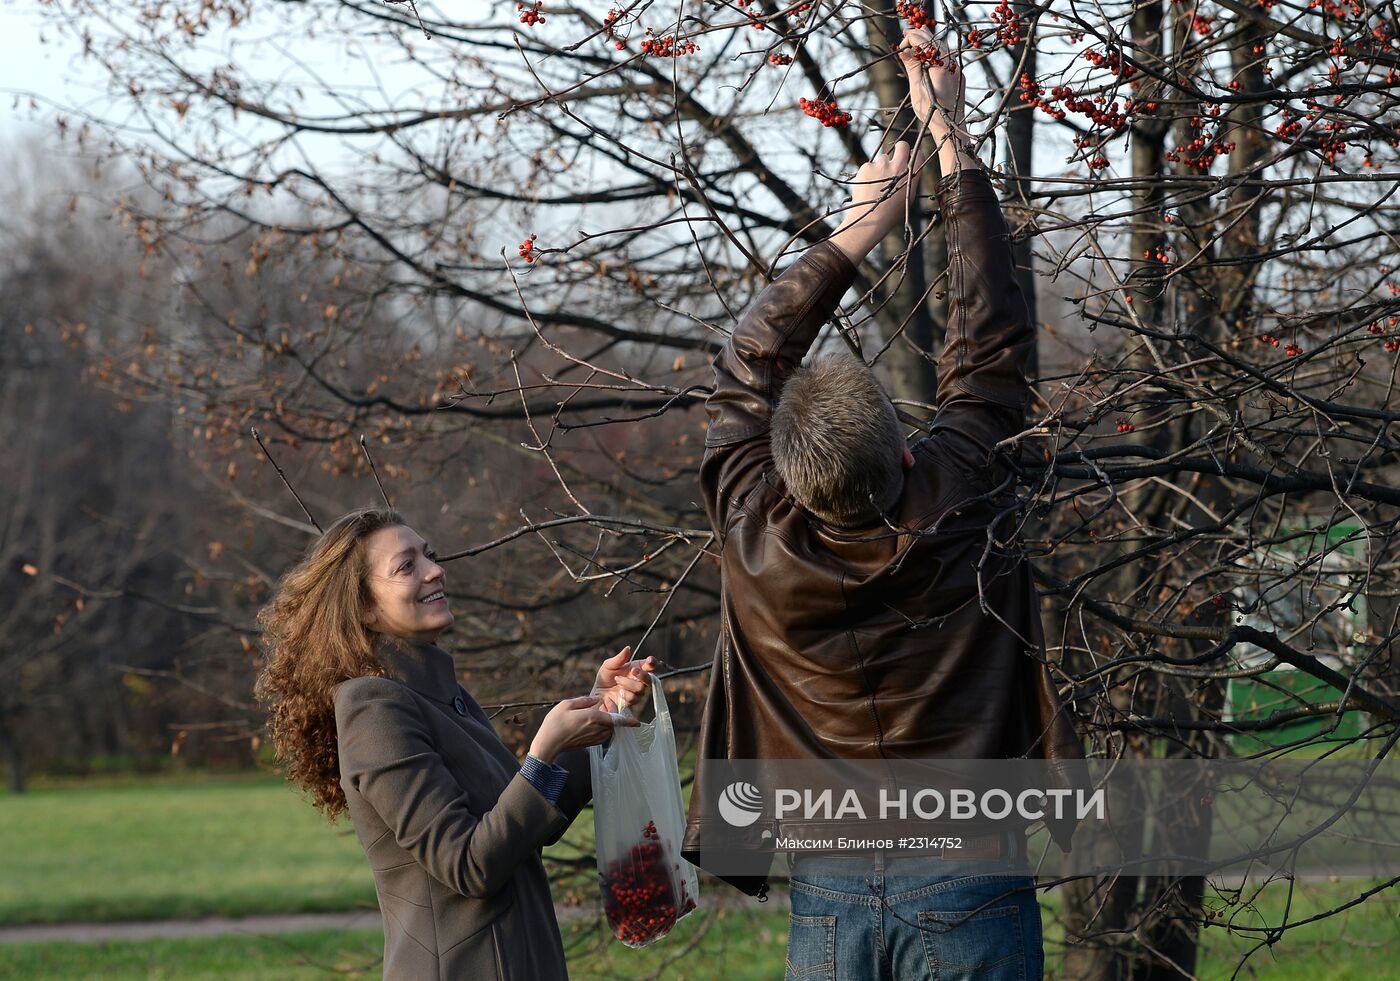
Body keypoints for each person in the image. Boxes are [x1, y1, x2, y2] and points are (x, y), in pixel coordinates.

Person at [680, 29, 1084, 980]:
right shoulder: (957, 492)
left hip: (827, 889)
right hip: (971, 873)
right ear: (905, 449)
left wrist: (855, 229)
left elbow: (743, 371)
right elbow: (990, 345)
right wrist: (953, 144)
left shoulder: (754, 528)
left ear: (782, 470)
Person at [254, 506, 654, 980]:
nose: (435, 570)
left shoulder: (444, 696)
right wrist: (541, 753)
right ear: (363, 606)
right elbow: (468, 865)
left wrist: (600, 714)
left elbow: (525, 830)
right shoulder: (372, 708)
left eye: (430, 556)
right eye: (407, 566)